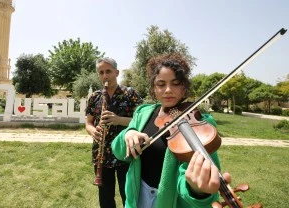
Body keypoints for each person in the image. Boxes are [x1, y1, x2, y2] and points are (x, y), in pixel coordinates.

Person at [111, 52, 229, 208]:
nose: (168, 90)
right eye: (161, 84)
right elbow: (119, 152)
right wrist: (128, 133)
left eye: (175, 83)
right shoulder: (143, 113)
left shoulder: (200, 124)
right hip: (138, 197)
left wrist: (197, 191)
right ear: (154, 88)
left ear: (184, 87)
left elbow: (192, 180)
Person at [85, 57, 143, 208]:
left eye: (108, 71)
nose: (105, 76)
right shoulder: (94, 97)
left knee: (128, 195)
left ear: (116, 73)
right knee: (105, 198)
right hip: (101, 154)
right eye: (101, 72)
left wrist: (118, 120)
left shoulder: (130, 94)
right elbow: (88, 123)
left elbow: (142, 122)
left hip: (126, 151)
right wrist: (93, 132)